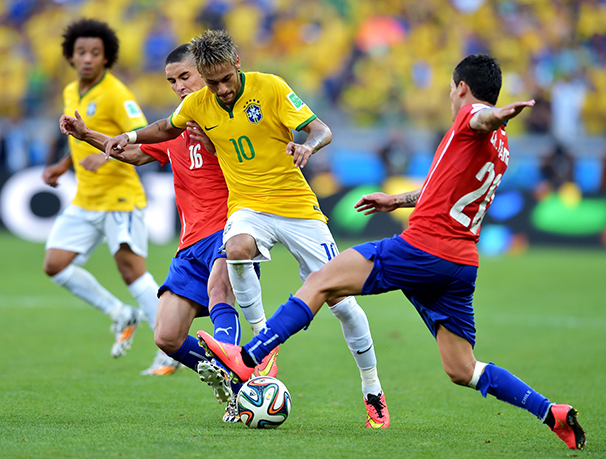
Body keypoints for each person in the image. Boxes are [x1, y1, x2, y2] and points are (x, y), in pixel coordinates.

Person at [197, 54, 586, 450]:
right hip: (460, 262)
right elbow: (441, 187)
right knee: (463, 368)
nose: (452, 98)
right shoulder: (500, 147)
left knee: (321, 282)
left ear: (462, 89)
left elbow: (479, 118)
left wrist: (495, 113)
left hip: (423, 248)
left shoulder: (474, 120)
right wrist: (397, 200)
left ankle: (249, 357)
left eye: (452, 90)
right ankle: (550, 412)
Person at [102, 29, 388, 429]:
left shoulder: (269, 87)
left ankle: (372, 387)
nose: (220, 89)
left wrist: (309, 145)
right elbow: (166, 128)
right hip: (248, 207)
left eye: (225, 79)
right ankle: (261, 344)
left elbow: (320, 128)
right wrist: (127, 136)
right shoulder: (199, 103)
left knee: (343, 303)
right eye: (212, 81)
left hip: (297, 208)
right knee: (235, 247)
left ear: (237, 64)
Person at [59, 43, 275, 422]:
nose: (178, 86)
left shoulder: (231, 118)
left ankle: (238, 381)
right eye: (172, 80)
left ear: (206, 73)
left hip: (231, 229)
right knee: (167, 336)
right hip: (190, 242)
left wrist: (214, 141)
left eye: (185, 76)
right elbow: (135, 153)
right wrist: (86, 134)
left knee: (220, 290)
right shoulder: (175, 125)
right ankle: (234, 380)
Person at [42, 18, 179, 375]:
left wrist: (104, 155)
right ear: (70, 57)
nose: (87, 58)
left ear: (107, 58)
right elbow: (78, 140)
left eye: (95, 53)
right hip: (86, 199)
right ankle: (120, 314)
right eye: (81, 52)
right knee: (55, 265)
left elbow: (143, 135)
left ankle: (169, 349)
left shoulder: (118, 94)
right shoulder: (72, 91)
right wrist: (62, 166)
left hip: (120, 197)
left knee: (132, 272)